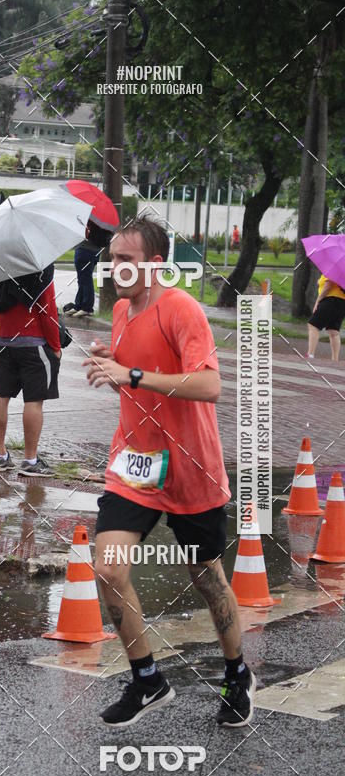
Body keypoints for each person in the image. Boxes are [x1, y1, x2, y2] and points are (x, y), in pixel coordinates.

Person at [83, 216, 254, 729]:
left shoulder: (181, 309)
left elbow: (209, 386)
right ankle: (147, 679)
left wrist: (133, 372)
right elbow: (135, 386)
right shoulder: (119, 311)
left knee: (207, 579)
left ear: (155, 266)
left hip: (191, 468)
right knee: (109, 569)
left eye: (127, 261)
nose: (116, 269)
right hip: (135, 466)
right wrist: (110, 367)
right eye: (113, 259)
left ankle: (237, 671)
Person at [0, 269, 61, 476]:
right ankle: (30, 460)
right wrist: (56, 346)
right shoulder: (40, 266)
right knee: (34, 400)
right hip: (33, 341)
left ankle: (0, 456)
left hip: (2, 339)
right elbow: (47, 310)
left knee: (0, 396)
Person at [306, 273, 345, 361]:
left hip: (330, 300)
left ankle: (310, 354)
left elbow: (328, 286)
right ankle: (335, 360)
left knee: (313, 325)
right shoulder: (343, 269)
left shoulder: (334, 269)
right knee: (333, 331)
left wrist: (318, 300)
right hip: (342, 302)